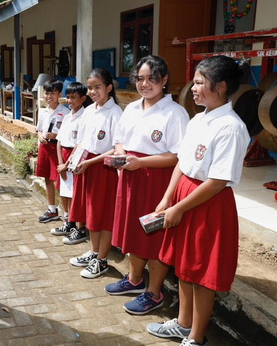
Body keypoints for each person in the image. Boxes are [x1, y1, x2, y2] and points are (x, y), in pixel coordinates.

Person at [147, 56, 250, 346]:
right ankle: (183, 323)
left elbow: (218, 181)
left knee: (203, 273)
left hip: (208, 203)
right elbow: (182, 161)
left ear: (221, 87)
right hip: (185, 197)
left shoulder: (231, 127)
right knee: (184, 266)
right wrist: (168, 198)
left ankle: (196, 336)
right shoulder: (199, 118)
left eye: (200, 83)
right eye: (194, 82)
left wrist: (179, 206)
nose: (193, 88)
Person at [106, 55, 189, 314]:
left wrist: (141, 163)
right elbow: (119, 140)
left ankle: (154, 293)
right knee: (132, 231)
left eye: (152, 78)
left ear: (164, 80)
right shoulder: (131, 108)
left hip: (157, 179)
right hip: (130, 176)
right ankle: (134, 280)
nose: (145, 84)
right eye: (140, 79)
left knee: (154, 237)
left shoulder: (175, 113)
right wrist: (121, 155)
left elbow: (177, 156)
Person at [69, 68, 122, 279]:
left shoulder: (115, 113)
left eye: (97, 87)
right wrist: (75, 158)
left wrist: (91, 162)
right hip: (87, 166)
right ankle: (93, 252)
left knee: (104, 215)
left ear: (109, 87)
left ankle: (102, 259)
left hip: (103, 168)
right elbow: (83, 141)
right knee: (91, 213)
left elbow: (116, 148)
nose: (92, 91)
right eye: (90, 87)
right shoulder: (90, 110)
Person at [49, 82, 90, 244]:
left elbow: (80, 143)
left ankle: (79, 227)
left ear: (83, 99)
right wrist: (61, 163)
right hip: (63, 157)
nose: (70, 101)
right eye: (68, 97)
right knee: (64, 190)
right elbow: (59, 141)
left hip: (76, 157)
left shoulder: (85, 117)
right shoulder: (67, 116)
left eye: (74, 97)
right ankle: (68, 221)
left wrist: (67, 165)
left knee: (75, 194)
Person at [35, 80, 70, 223]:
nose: (49, 96)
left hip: (58, 148)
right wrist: (40, 137)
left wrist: (54, 136)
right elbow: (38, 130)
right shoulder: (43, 111)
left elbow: (67, 134)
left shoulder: (66, 112)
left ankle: (66, 213)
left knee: (61, 180)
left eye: (53, 93)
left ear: (59, 94)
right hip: (45, 147)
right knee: (47, 178)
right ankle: (52, 209)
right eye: (47, 93)